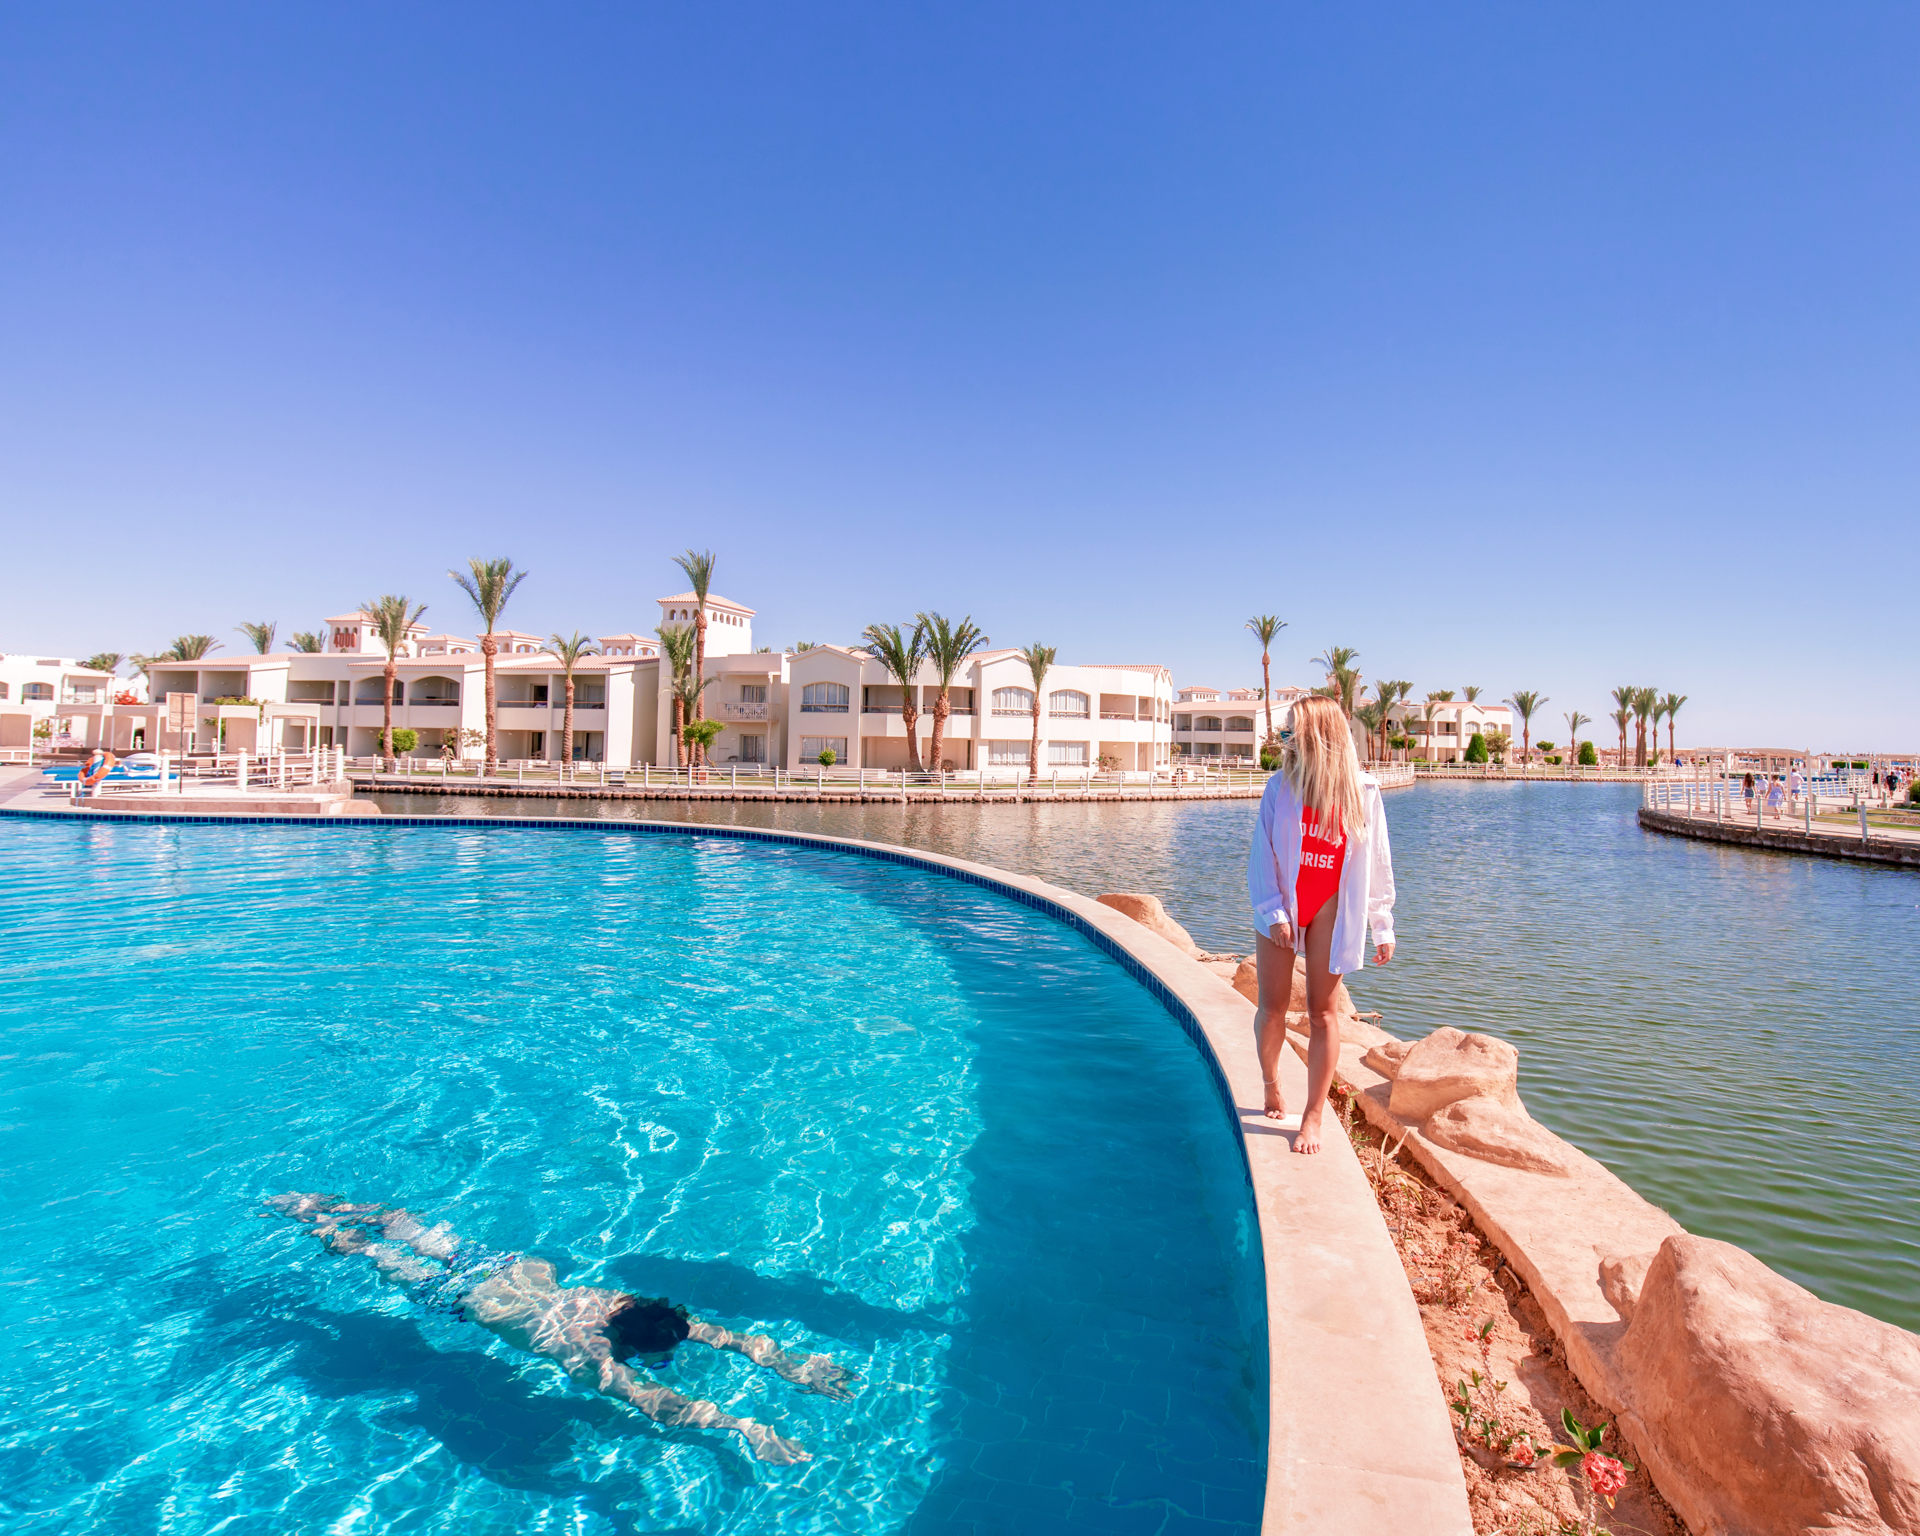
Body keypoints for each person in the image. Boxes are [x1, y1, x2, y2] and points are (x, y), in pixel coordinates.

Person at [267, 1193, 853, 1463]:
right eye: (661, 1356)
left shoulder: (635, 1307)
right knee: (372, 1254)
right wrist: (745, 1427)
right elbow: (660, 1405)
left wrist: (793, 1368)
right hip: (464, 1299)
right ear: (631, 1344)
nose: (675, 1349)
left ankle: (308, 1201)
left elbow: (725, 1338)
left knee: (410, 1231)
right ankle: (310, 1220)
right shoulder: (590, 1356)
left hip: (509, 1271)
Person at [1246, 695, 1397, 1155]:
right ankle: (1271, 1082)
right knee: (1272, 1008)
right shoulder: (1280, 787)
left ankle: (1313, 1116)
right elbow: (1262, 856)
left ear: (1318, 735)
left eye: (1293, 731)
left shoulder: (1363, 790)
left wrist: (1382, 924)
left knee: (1323, 1013)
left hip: (1331, 906)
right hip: (1283, 902)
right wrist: (1274, 913)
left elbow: (1377, 861)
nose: (1286, 739)